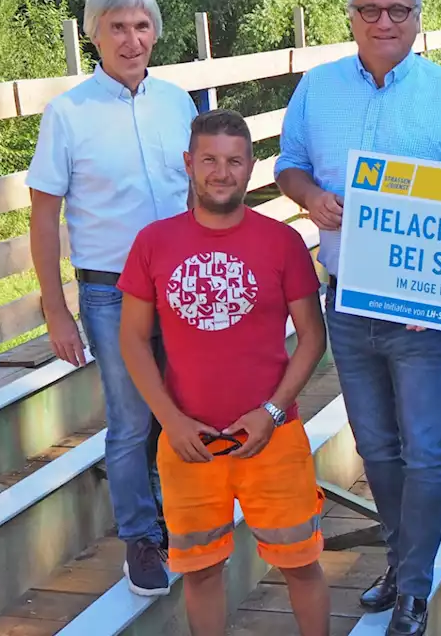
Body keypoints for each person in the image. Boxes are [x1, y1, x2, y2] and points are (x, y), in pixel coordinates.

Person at [273, 0, 441, 635]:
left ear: (417, 18)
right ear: (352, 15)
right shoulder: (317, 88)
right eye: (371, 9)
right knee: (376, 447)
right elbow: (288, 165)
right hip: (347, 301)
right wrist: (310, 196)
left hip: (422, 313)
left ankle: (415, 586)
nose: (384, 22)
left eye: (398, 10)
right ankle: (401, 564)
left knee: (424, 448)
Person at [118, 109, 330, 636]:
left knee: (300, 564)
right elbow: (131, 339)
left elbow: (313, 336)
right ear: (189, 163)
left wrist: (272, 411)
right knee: (201, 572)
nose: (221, 172)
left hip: (273, 437)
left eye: (234, 161)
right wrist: (169, 420)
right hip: (189, 443)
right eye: (209, 159)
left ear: (251, 166)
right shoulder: (153, 242)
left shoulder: (281, 242)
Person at [26, 0, 197, 596]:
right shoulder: (67, 114)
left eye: (142, 26)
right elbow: (43, 214)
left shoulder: (178, 102)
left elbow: (205, 190)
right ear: (94, 33)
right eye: (117, 27)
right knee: (130, 419)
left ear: (156, 32)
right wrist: (56, 309)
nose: (131, 40)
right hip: (111, 290)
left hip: (184, 282)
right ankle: (141, 538)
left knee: (182, 405)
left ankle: (181, 514)